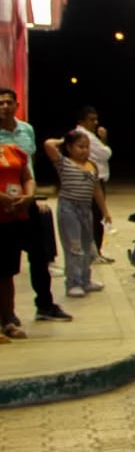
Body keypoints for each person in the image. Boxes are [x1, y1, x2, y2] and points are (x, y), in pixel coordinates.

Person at [0, 87, 71, 323]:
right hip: (2, 208)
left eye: (9, 102)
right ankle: (7, 316)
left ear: (17, 105)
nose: (5, 107)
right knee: (6, 265)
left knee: (40, 255)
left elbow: (28, 168)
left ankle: (45, 305)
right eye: (0, 103)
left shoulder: (26, 130)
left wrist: (31, 196)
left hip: (25, 202)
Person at [43, 132, 111, 299]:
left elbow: (97, 190)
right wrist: (63, 140)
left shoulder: (92, 165)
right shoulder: (63, 162)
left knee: (87, 245)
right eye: (80, 147)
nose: (84, 150)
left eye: (87, 147)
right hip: (68, 209)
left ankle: (85, 279)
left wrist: (105, 211)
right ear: (69, 148)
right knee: (74, 246)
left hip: (86, 210)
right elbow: (48, 144)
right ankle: (73, 283)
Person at [0, 120, 37, 340]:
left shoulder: (15, 151)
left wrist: (29, 196)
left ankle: (8, 320)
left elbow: (27, 176)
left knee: (7, 273)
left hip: (11, 218)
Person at [70, 106, 113, 263]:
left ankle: (94, 252)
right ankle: (91, 253)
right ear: (81, 121)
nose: (95, 123)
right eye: (91, 119)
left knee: (95, 216)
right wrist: (104, 139)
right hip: (88, 179)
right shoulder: (84, 135)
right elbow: (105, 154)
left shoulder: (89, 135)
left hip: (94, 178)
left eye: (96, 119)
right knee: (92, 217)